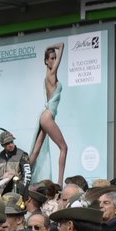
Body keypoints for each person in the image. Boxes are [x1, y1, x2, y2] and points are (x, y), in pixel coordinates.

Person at [26, 44, 69, 185]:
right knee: (64, 148)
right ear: (46, 61)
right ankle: (60, 183)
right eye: (51, 58)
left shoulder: (48, 76)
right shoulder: (51, 74)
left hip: (45, 116)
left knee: (36, 151)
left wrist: (48, 51)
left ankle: (23, 177)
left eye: (55, 58)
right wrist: (52, 47)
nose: (54, 60)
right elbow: (61, 45)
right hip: (47, 116)